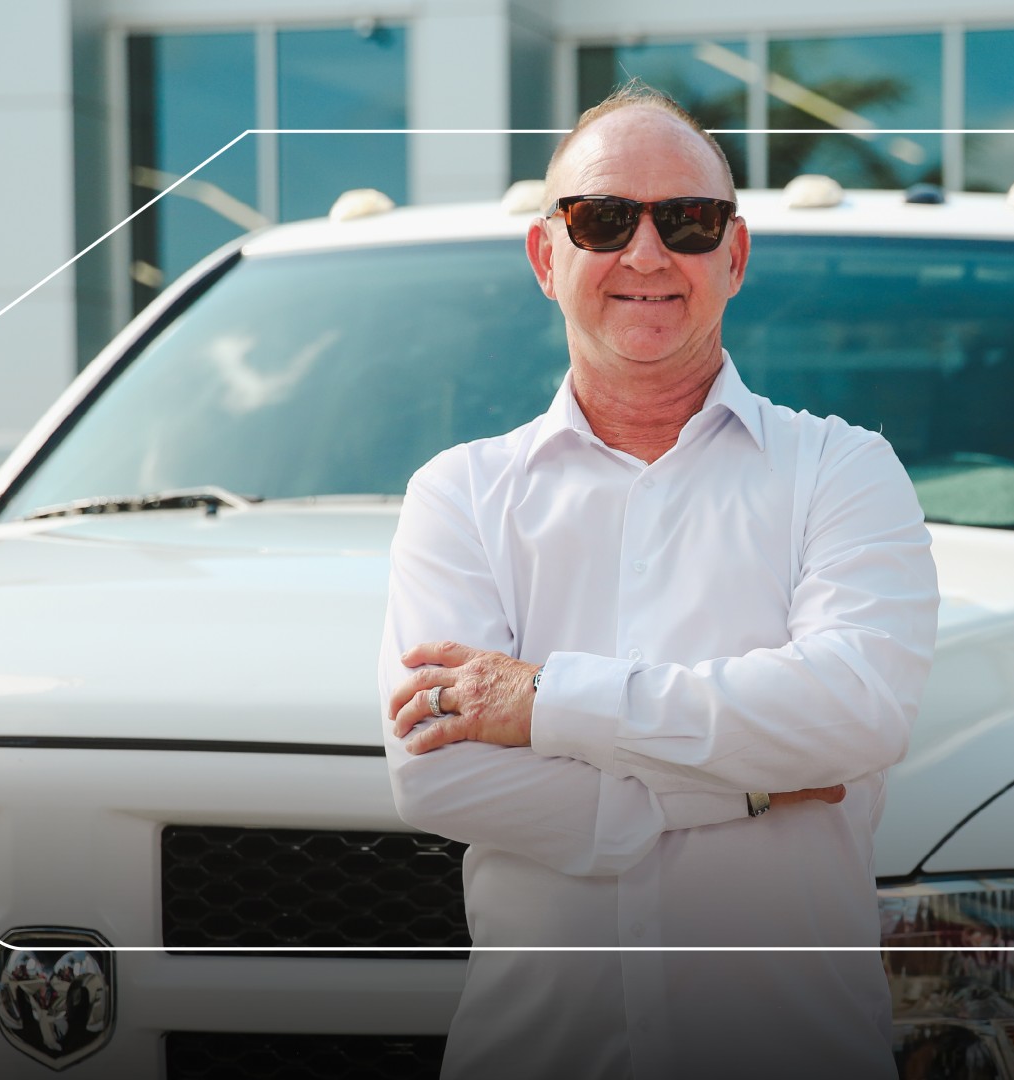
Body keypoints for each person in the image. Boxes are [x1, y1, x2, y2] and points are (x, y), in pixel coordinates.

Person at [378, 84, 939, 1079]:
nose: (645, 254)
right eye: (603, 219)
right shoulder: (458, 494)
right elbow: (437, 769)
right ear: (546, 256)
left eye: (687, 220)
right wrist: (747, 793)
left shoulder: (844, 471)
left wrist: (546, 703)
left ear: (735, 255)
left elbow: (854, 713)